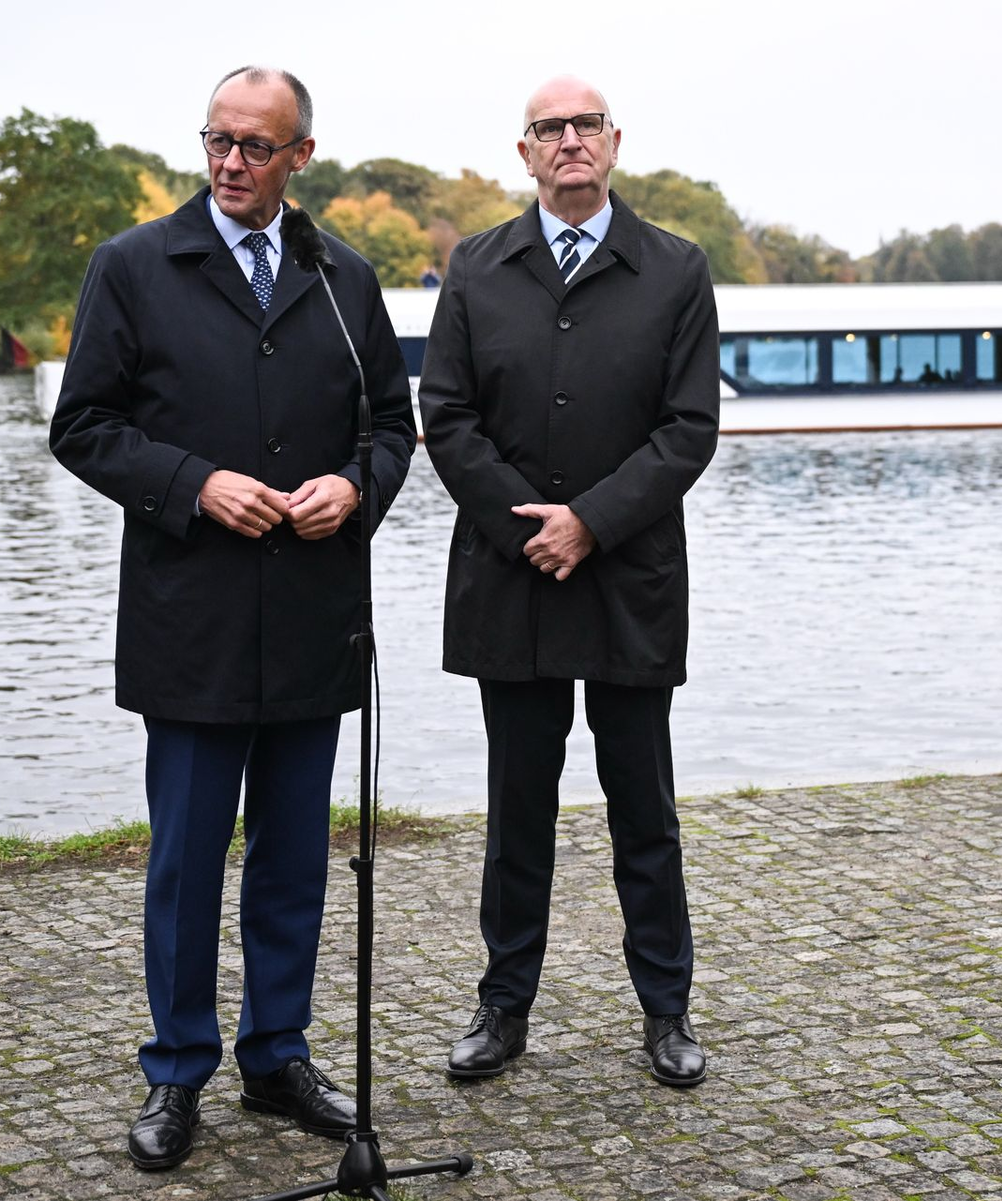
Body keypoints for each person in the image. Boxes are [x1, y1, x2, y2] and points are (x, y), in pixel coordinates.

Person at [48, 66, 416, 1170]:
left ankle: (276, 1056)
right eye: (218, 140)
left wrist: (354, 487)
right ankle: (176, 1069)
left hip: (312, 618)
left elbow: (390, 429)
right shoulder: (131, 266)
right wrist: (195, 483)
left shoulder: (344, 276)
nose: (231, 163)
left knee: (295, 860)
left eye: (257, 146)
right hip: (191, 622)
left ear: (301, 156)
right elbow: (82, 426)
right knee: (186, 864)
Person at [419, 76, 719, 1088]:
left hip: (630, 576)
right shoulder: (477, 267)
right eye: (550, 128)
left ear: (615, 141)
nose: (571, 139)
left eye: (586, 123)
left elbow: (689, 428)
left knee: (645, 809)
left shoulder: (676, 268)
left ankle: (667, 1010)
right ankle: (503, 1008)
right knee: (517, 811)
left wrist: (589, 521)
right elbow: (446, 418)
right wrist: (531, 527)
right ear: (526, 153)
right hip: (513, 579)